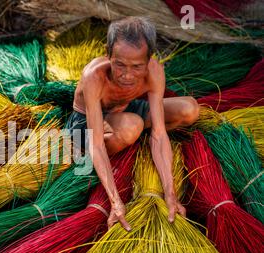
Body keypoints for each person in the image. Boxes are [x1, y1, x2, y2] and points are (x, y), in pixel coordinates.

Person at [67, 16, 199, 231]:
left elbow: (158, 133)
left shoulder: (154, 71)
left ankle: (131, 133)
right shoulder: (94, 76)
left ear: (149, 60)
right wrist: (116, 202)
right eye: (119, 64)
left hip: (127, 110)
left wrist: (170, 193)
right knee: (132, 126)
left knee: (189, 109)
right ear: (108, 54)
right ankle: (96, 148)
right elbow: (97, 144)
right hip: (87, 125)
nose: (127, 75)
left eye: (137, 66)